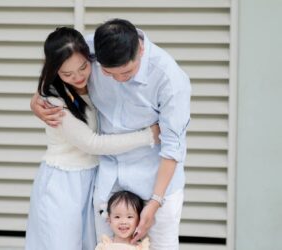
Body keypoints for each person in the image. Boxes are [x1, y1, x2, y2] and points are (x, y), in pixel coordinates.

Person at [31, 19, 191, 250]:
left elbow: (173, 147)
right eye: (108, 73)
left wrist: (155, 203)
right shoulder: (91, 49)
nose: (118, 80)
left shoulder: (170, 79)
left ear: (141, 49)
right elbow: (58, 63)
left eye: (126, 72)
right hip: (109, 184)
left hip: (155, 184)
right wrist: (36, 99)